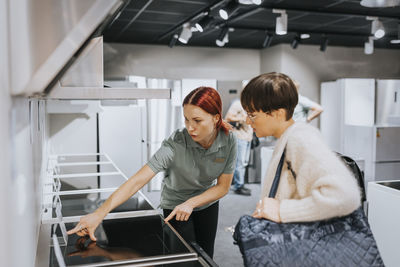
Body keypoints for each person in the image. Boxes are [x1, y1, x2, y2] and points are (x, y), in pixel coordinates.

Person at [67, 87, 237, 258]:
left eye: (197, 120)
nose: (190, 127)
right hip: (175, 205)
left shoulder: (229, 140)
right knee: (183, 257)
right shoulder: (175, 144)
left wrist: (192, 202)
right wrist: (99, 214)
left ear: (215, 118)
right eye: (186, 120)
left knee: (206, 255)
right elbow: (137, 181)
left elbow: (223, 187)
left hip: (207, 201)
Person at [239, 72, 360, 223]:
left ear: (278, 114)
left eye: (252, 115)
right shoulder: (288, 138)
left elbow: (346, 196)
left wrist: (283, 211)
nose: (247, 121)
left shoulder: (300, 138)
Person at [225, 99, 253, 196]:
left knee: (244, 162)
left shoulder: (252, 104)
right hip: (240, 136)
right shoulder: (238, 104)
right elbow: (228, 117)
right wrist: (242, 118)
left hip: (247, 137)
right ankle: (238, 186)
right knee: (239, 162)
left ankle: (240, 184)